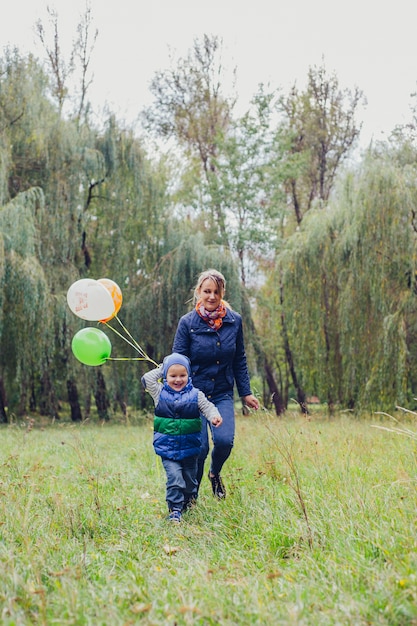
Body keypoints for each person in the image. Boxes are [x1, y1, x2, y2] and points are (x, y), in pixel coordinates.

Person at [172, 269, 259, 500]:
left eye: (216, 292)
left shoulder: (234, 321)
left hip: (221, 392)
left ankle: (215, 473)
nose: (211, 296)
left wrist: (246, 393)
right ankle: (191, 497)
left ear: (222, 293)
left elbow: (239, 358)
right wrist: (175, 391)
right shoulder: (187, 323)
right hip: (194, 395)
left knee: (224, 441)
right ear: (199, 292)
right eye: (207, 291)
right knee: (199, 449)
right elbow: (178, 361)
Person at [141, 352, 222, 523]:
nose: (178, 379)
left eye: (182, 375)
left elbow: (208, 407)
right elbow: (147, 379)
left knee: (190, 481)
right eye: (173, 375)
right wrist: (163, 367)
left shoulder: (196, 394)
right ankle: (175, 510)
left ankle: (189, 501)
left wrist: (214, 416)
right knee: (175, 479)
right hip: (168, 448)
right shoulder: (159, 393)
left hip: (190, 448)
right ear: (165, 376)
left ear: (189, 375)